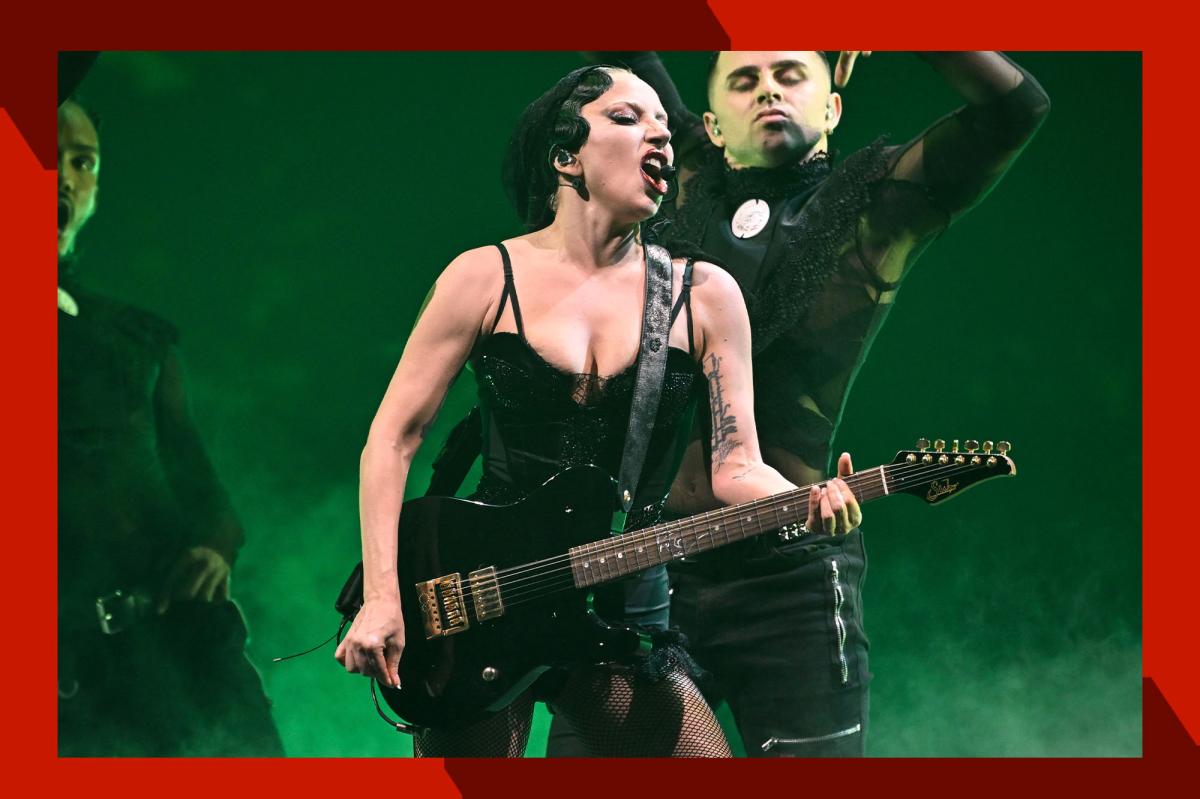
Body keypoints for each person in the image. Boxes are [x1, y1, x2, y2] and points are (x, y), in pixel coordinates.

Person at [333, 64, 861, 758]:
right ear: (566, 156)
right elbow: (391, 440)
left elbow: (737, 466)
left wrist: (802, 501)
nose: (661, 137)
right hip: (486, 593)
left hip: (620, 599)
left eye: (665, 125)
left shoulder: (703, 295)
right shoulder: (484, 276)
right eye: (628, 117)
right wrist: (382, 597)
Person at [542, 50, 1049, 757]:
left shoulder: (876, 205)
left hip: (789, 583)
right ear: (710, 126)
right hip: (644, 571)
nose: (767, 91)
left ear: (833, 106)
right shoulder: (682, 179)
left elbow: (1016, 108)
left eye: (789, 74)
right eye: (744, 80)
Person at [57, 83, 284, 756]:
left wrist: (212, 547)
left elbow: (199, 484)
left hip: (178, 654)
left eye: (82, 161)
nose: (64, 178)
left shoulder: (139, 340)